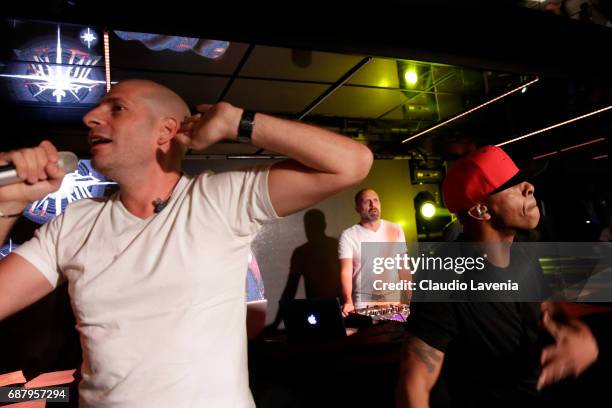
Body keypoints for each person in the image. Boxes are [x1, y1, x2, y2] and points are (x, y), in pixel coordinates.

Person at [0, 79, 373, 407]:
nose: (90, 118)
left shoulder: (220, 198)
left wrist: (239, 123)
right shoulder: (75, 223)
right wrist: (7, 205)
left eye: (117, 108)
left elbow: (351, 163)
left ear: (164, 132)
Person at [396, 145, 549, 407]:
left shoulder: (524, 254)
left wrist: (569, 333)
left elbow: (542, 313)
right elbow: (415, 383)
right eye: (511, 185)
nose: (529, 187)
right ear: (480, 211)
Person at [338, 188, 406, 316]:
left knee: (397, 335)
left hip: (393, 304)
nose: (373, 205)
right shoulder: (348, 235)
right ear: (357, 208)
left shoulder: (395, 229)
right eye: (367, 201)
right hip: (363, 305)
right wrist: (348, 301)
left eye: (376, 200)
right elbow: (346, 271)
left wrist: (408, 297)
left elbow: (403, 267)